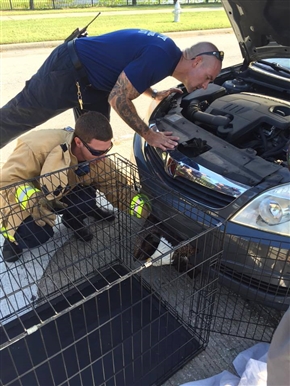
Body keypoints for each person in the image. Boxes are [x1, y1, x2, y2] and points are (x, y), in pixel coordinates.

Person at [0, 28, 223, 150]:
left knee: (96, 141)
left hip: (93, 86)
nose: (205, 85)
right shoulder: (162, 56)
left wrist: (153, 94)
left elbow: (129, 75)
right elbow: (118, 98)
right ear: (196, 62)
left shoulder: (168, 55)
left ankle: (81, 203)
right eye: (207, 77)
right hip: (66, 71)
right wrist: (149, 135)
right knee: (17, 118)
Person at [0, 111, 150, 263]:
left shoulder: (98, 158)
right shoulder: (35, 147)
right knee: (36, 235)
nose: (103, 157)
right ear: (78, 142)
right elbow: (5, 182)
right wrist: (32, 198)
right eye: (97, 151)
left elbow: (118, 190)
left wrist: (147, 210)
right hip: (29, 201)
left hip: (60, 193)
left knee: (87, 199)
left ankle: (72, 219)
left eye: (107, 149)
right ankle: (12, 240)